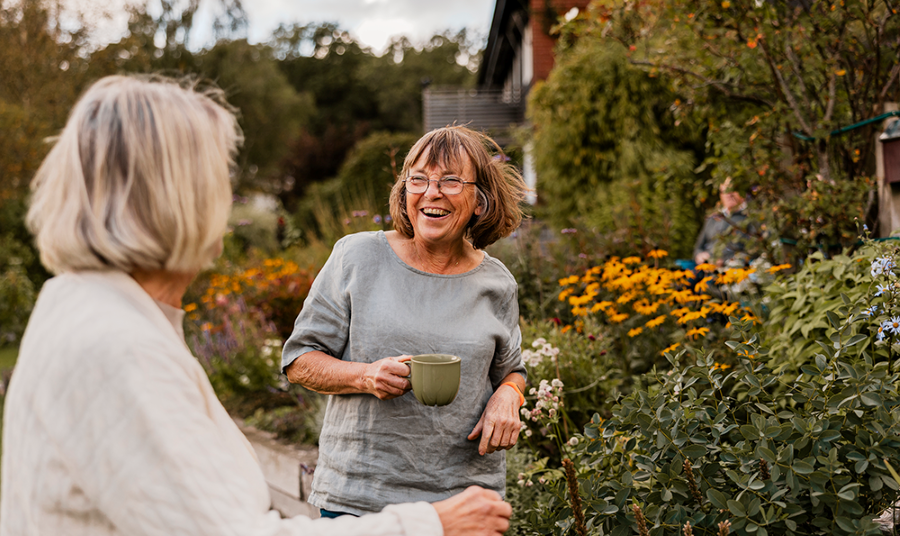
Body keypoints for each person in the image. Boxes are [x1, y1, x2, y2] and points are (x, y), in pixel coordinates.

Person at [0, 75, 512, 536]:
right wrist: (430, 524)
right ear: (172, 198)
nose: (226, 196)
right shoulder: (113, 346)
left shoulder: (91, 310)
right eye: (215, 175)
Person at [282, 126, 529, 517]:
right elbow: (299, 360)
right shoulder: (356, 257)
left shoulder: (496, 283)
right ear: (405, 191)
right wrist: (365, 375)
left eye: (450, 181)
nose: (431, 192)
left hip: (464, 501)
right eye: (418, 179)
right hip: (361, 500)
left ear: (479, 201)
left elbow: (512, 371)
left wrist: (507, 397)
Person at [693, 177, 751, 267]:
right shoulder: (713, 218)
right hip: (706, 268)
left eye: (732, 190)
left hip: (733, 268)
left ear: (742, 193)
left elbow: (754, 251)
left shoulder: (750, 218)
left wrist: (724, 260)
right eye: (724, 191)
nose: (728, 195)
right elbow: (698, 247)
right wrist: (700, 255)